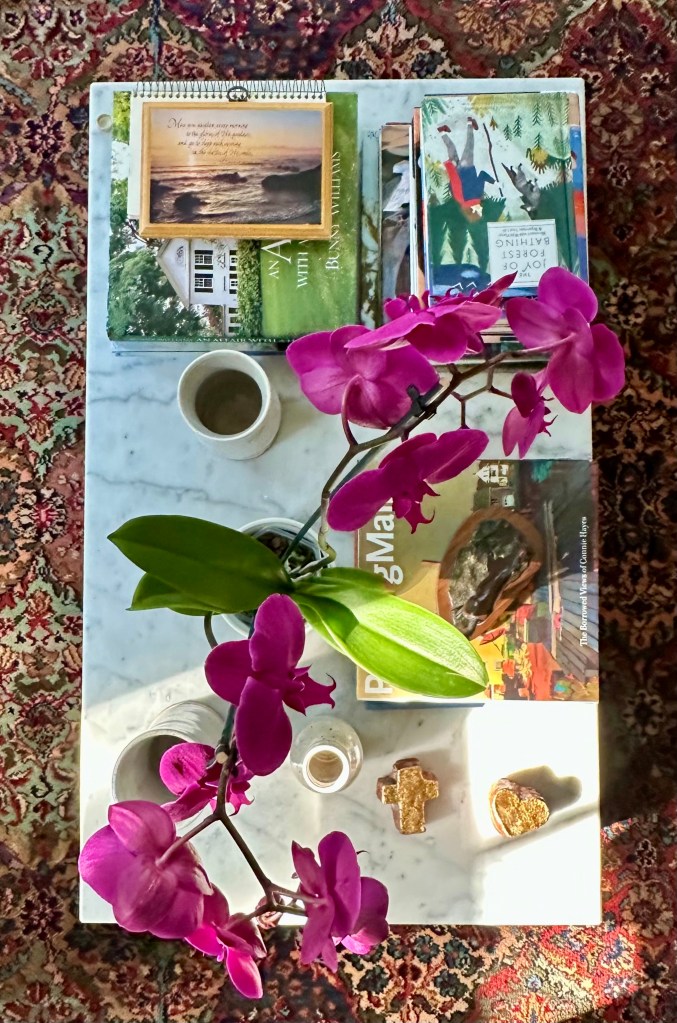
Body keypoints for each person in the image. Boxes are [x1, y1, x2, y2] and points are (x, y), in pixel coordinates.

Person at [437, 118, 495, 219]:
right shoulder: (460, 200)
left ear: (473, 209)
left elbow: (481, 176)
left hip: (466, 167)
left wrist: (493, 181)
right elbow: (452, 185)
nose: (481, 209)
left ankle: (469, 124)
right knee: (452, 149)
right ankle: (442, 132)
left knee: (469, 145)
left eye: (479, 211)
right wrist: (452, 168)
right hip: (457, 169)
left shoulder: (476, 195)